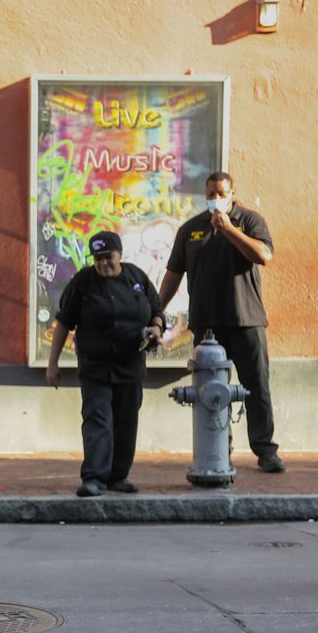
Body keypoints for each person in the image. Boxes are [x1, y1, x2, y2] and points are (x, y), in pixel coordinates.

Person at [156, 171, 283, 472]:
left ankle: (265, 450)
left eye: (220, 193)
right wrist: (156, 310)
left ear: (232, 193)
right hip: (207, 324)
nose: (215, 199)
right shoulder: (190, 229)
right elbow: (174, 273)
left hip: (246, 319)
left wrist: (228, 229)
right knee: (212, 390)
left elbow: (263, 255)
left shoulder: (249, 221)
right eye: (210, 194)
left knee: (256, 386)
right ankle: (218, 447)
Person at [48, 231, 163, 496]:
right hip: (95, 366)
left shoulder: (136, 277)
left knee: (126, 421)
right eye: (98, 259)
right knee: (98, 420)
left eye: (108, 257)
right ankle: (94, 478)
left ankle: (118, 476)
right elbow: (64, 322)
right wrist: (52, 364)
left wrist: (155, 329)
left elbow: (156, 311)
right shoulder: (83, 282)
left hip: (130, 364)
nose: (103, 263)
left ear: (119, 255)